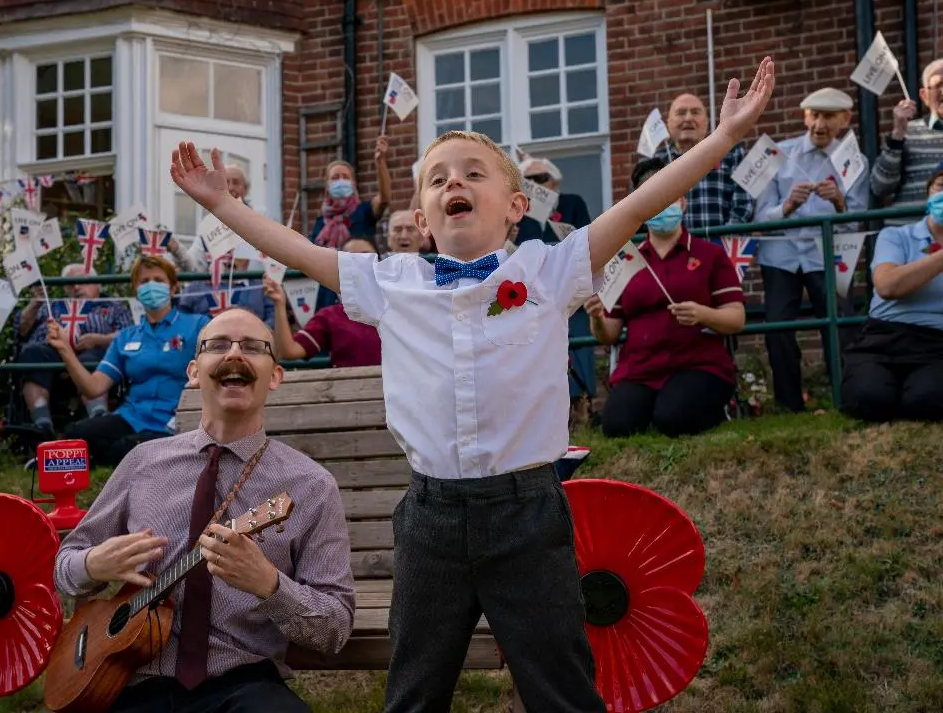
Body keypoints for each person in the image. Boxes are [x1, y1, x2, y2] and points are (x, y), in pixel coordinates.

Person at [169, 55, 774, 712]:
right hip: (431, 518)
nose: (452, 181)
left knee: (561, 687)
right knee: (414, 689)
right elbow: (296, 251)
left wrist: (723, 138)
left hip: (528, 512)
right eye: (437, 179)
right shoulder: (392, 280)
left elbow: (639, 206)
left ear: (516, 206)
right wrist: (222, 202)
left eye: (471, 173)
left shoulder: (548, 270)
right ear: (423, 218)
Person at [54, 307, 355, 712]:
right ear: (194, 372)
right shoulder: (143, 462)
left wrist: (269, 585)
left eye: (253, 347)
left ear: (275, 376)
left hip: (243, 681)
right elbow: (63, 570)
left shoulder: (311, 486)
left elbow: (334, 628)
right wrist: (93, 564)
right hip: (131, 678)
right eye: (219, 345)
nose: (235, 354)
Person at [587, 158, 746, 438]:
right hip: (640, 370)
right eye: (653, 198)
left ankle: (701, 407)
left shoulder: (710, 255)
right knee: (617, 426)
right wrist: (597, 317)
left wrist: (703, 314)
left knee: (673, 419)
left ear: (683, 202)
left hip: (699, 364)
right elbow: (609, 335)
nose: (662, 205)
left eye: (669, 195)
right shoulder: (624, 262)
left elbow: (736, 318)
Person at [753, 87, 869, 413]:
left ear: (844, 120)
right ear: (805, 116)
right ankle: (789, 407)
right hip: (782, 255)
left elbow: (854, 224)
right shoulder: (776, 154)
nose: (819, 124)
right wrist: (787, 206)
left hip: (826, 254)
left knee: (839, 326)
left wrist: (839, 202)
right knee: (777, 329)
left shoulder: (854, 163)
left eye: (828, 116)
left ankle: (845, 400)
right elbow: (759, 218)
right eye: (814, 115)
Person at [45, 255, 209, 467]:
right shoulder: (125, 337)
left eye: (159, 280)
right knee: (76, 436)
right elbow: (93, 388)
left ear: (173, 289)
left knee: (124, 450)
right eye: (144, 281)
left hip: (177, 421)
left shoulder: (199, 326)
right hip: (132, 418)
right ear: (136, 290)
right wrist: (64, 349)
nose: (151, 286)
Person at [841, 162, 943, 422]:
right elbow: (887, 286)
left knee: (927, 400)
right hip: (883, 338)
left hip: (936, 344)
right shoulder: (896, 236)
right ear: (928, 193)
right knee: (867, 397)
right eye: (941, 186)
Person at [513, 155, 597, 422]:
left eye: (540, 179)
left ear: (554, 182)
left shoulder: (572, 203)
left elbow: (586, 238)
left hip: (569, 287)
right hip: (531, 297)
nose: (535, 185)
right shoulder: (517, 218)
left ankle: (583, 404)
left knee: (579, 339)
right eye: (528, 181)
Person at [15, 262, 134, 433]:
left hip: (94, 353)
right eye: (71, 284)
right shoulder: (53, 305)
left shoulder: (113, 306)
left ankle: (97, 415)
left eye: (83, 282)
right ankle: (41, 423)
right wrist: (36, 303)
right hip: (51, 353)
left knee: (91, 360)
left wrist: (100, 339)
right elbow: (22, 330)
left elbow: (128, 334)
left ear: (98, 284)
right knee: (32, 354)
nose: (77, 287)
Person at [261, 238, 382, 368]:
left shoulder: (399, 305)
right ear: (341, 268)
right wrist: (279, 303)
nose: (361, 264)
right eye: (352, 259)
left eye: (366, 257)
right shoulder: (331, 316)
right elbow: (289, 351)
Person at [650, 92, 755, 230]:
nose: (688, 118)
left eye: (695, 112)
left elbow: (744, 203)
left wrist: (724, 240)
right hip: (672, 250)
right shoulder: (654, 162)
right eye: (681, 113)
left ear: (706, 122)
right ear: (668, 123)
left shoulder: (731, 152)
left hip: (721, 247)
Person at [870, 58, 943, 225]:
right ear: (924, 96)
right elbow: (880, 187)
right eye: (938, 85)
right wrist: (897, 135)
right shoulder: (906, 133)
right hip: (911, 237)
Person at [310, 135, 391, 249]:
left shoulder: (364, 211)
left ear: (353, 183)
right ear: (327, 185)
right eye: (335, 177)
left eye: (345, 177)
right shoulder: (320, 222)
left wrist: (380, 162)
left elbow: (385, 199)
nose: (341, 180)